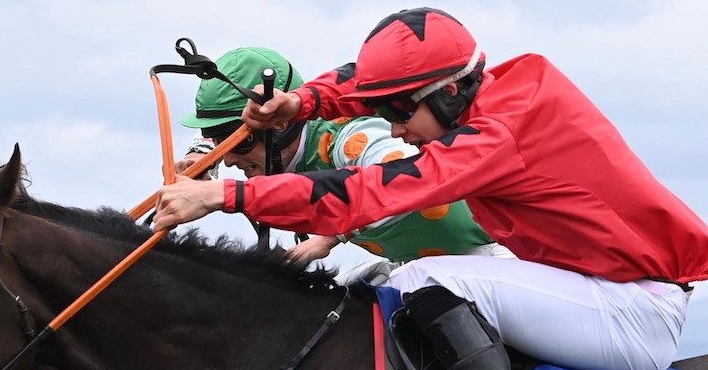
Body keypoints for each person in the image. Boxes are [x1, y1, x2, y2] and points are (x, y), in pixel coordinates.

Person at [153, 7, 708, 370]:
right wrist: (302, 101)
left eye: (402, 115)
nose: (395, 129)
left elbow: (370, 192)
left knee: (422, 278)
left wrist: (225, 197)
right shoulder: (492, 89)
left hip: (633, 313)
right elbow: (363, 82)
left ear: (449, 93)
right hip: (592, 285)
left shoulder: (492, 136)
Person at [176, 46, 501, 268]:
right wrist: (202, 157)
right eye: (220, 143)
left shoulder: (347, 142)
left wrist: (332, 236)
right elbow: (220, 135)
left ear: (281, 123)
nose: (230, 161)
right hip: (419, 267)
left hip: (491, 258)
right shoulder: (255, 140)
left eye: (238, 145)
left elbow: (402, 175)